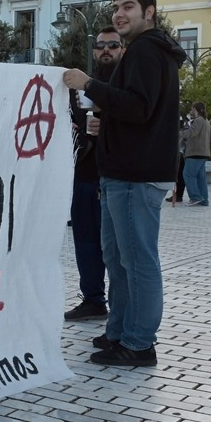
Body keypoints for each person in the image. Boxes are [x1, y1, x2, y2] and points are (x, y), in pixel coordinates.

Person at [62, 0, 184, 367]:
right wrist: (105, 124)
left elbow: (138, 108)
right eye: (117, 6)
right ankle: (120, 331)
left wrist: (91, 86)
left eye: (129, 6)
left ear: (149, 11)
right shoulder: (144, 52)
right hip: (124, 171)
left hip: (135, 174)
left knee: (137, 261)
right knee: (118, 259)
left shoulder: (147, 51)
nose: (120, 13)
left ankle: (139, 342)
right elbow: (136, 112)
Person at [64, 27, 124, 321]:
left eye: (113, 45)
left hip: (115, 178)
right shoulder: (80, 89)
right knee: (85, 241)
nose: (106, 50)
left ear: (123, 49)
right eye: (100, 45)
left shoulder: (128, 85)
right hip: (84, 174)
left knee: (115, 248)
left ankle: (121, 307)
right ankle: (93, 299)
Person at [181, 102, 211, 206]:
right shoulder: (206, 121)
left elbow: (192, 133)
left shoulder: (198, 121)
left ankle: (195, 197)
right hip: (203, 152)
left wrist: (181, 131)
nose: (191, 111)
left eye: (192, 109)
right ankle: (203, 199)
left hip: (195, 152)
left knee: (187, 174)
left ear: (195, 109)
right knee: (200, 177)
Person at [167, 116, 187, 204]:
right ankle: (177, 195)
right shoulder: (181, 133)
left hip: (179, 155)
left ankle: (178, 195)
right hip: (179, 155)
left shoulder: (180, 133)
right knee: (179, 176)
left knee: (179, 176)